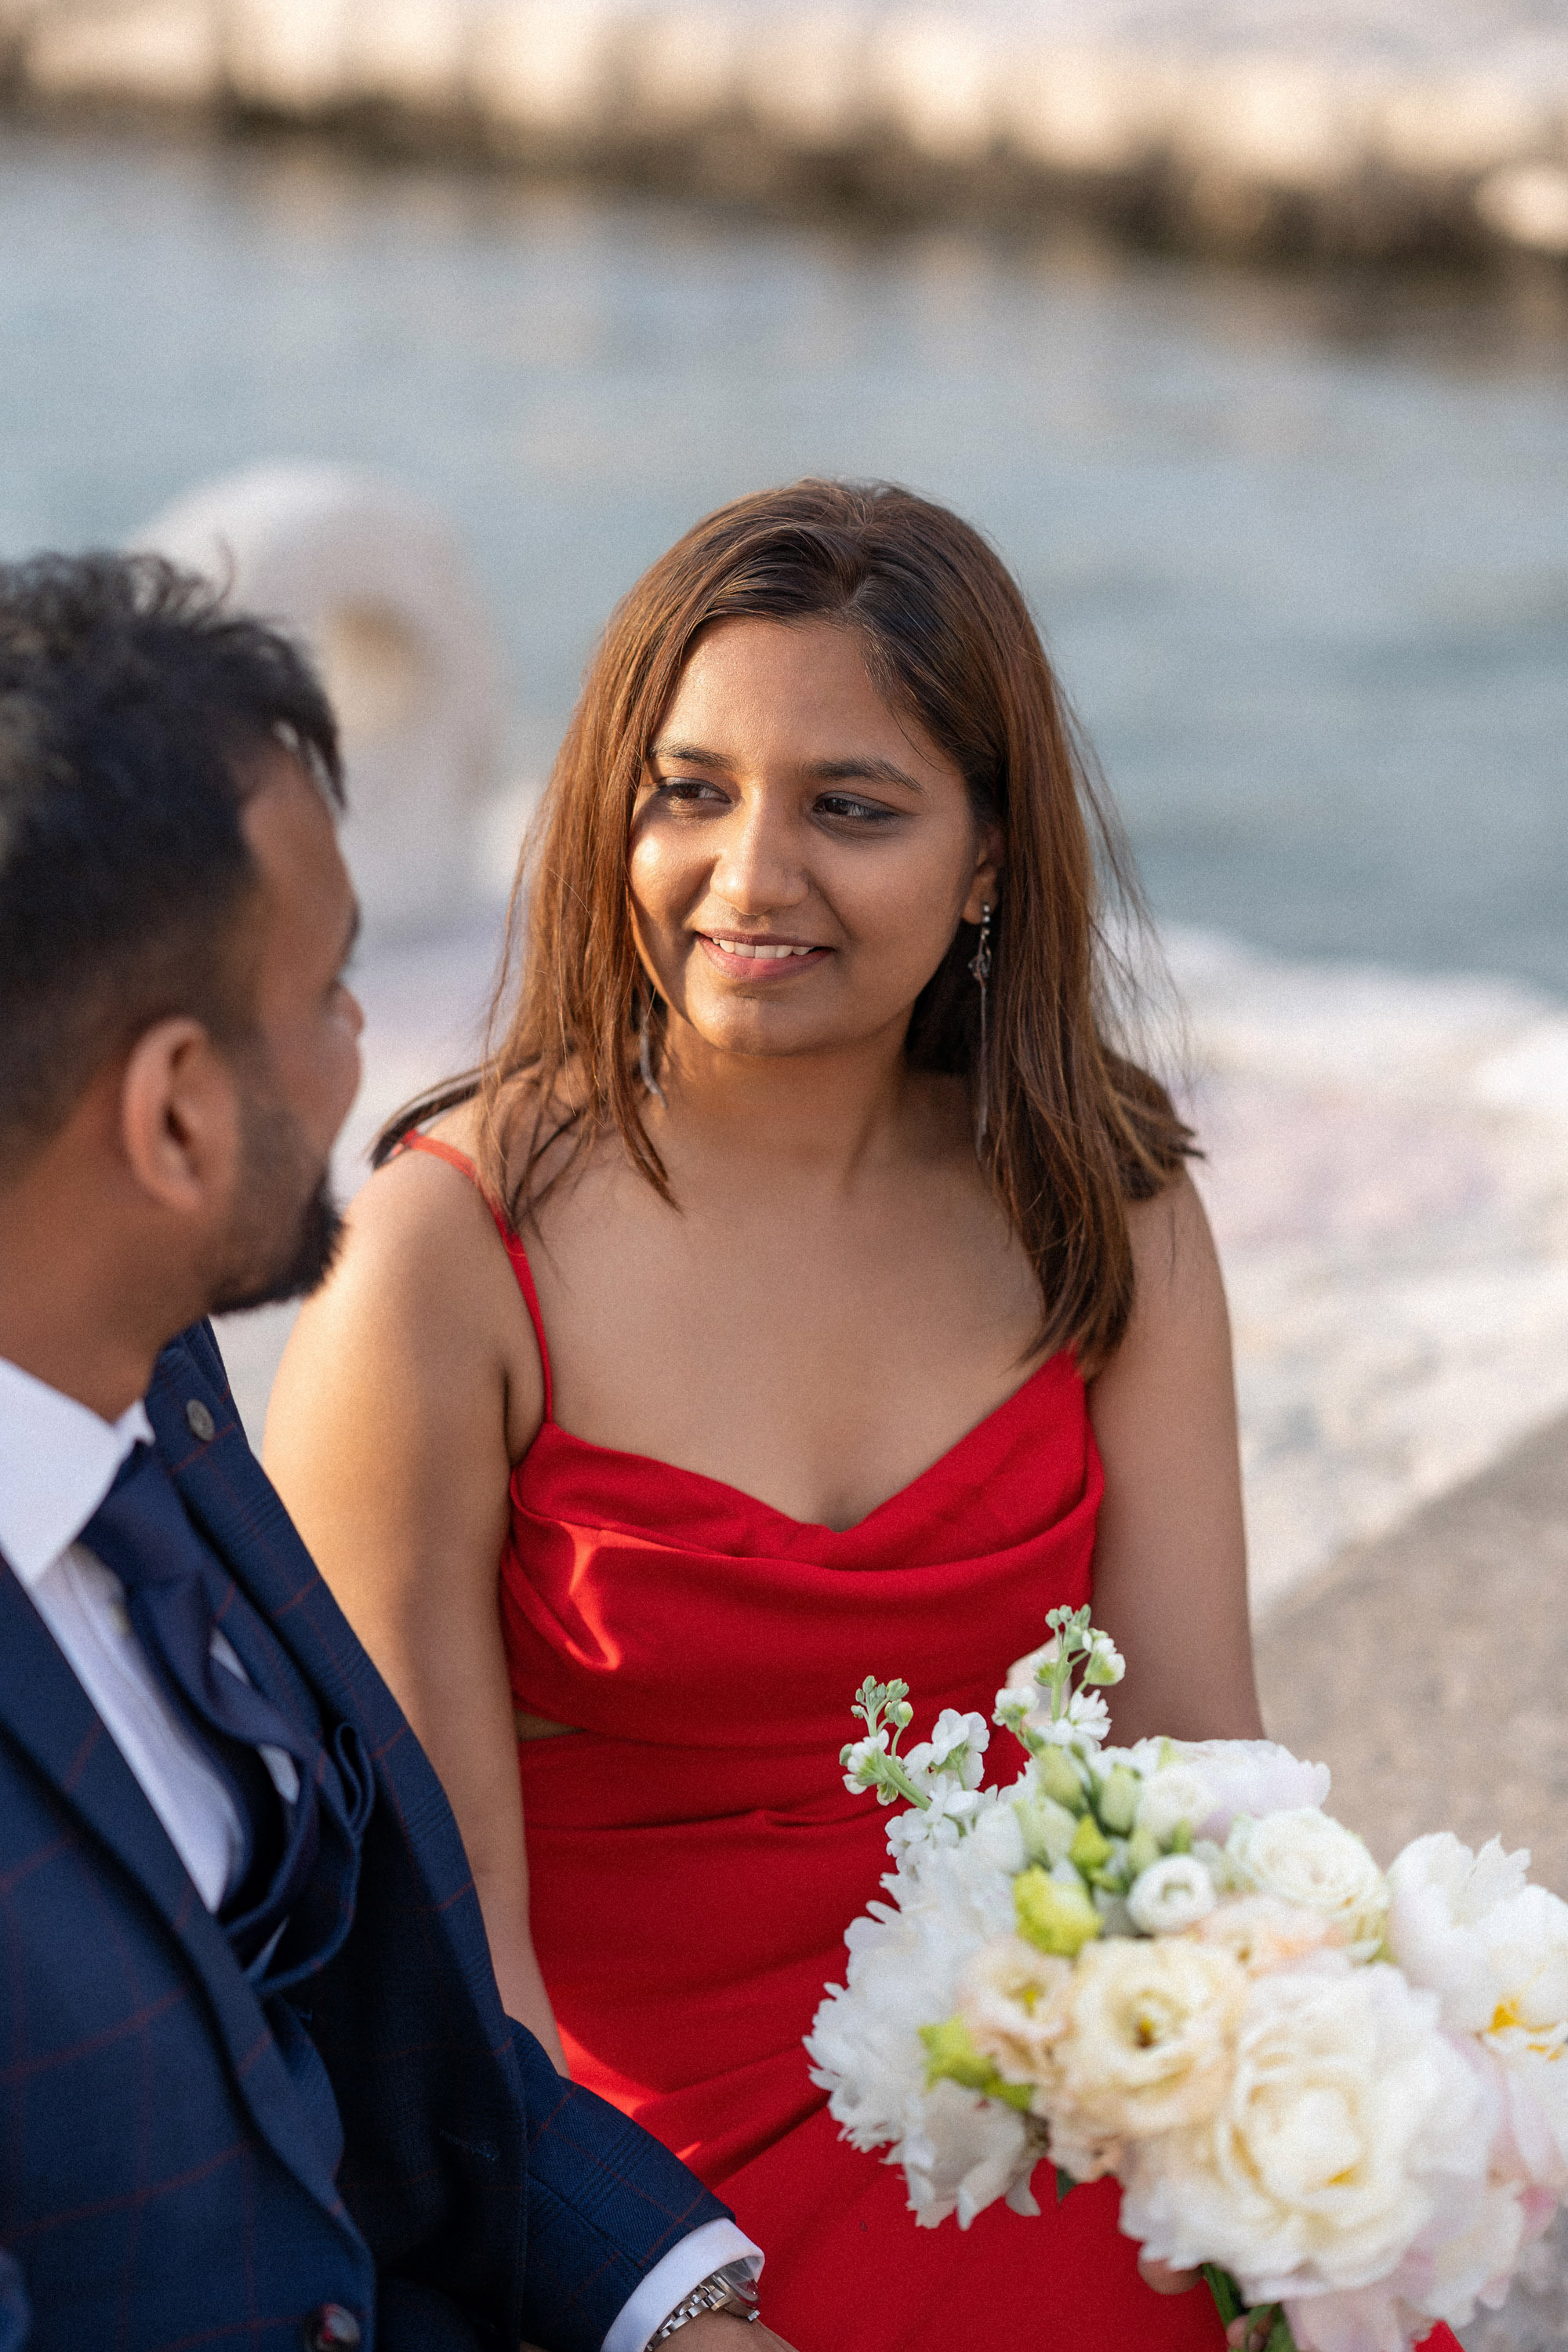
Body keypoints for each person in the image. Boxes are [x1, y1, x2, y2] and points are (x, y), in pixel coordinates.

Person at [264, 483, 1457, 2352]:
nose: (749, 876)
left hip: (1045, 2110)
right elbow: (429, 1959)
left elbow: (1199, 1789)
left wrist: (1337, 2143)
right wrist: (659, 2306)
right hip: (634, 2205)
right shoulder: (442, 1253)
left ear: (988, 859)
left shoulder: (1105, 1204)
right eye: (690, 791)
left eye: (852, 807)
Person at [0, 552, 800, 2352]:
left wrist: (689, 2316)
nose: (368, 1043)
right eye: (332, 991)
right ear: (179, 1112)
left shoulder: (156, 1391)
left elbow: (403, 2047)